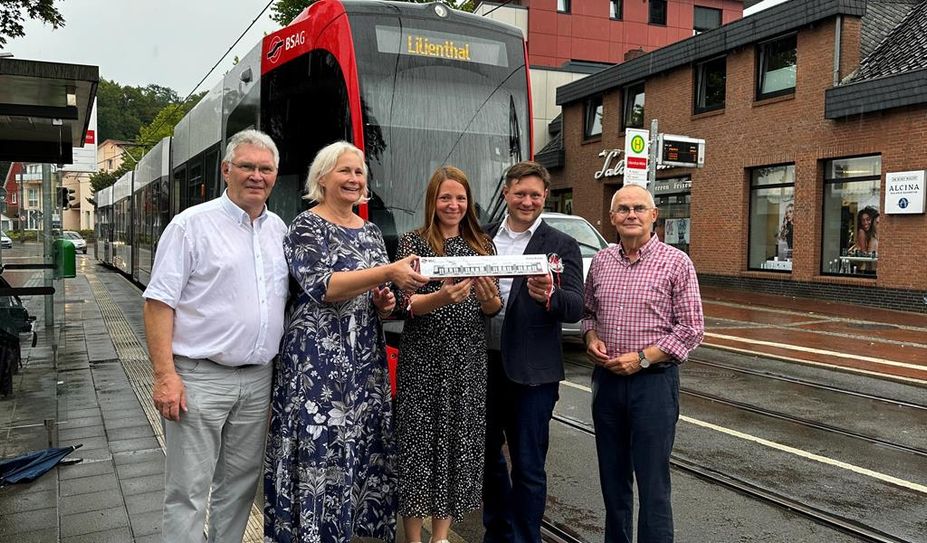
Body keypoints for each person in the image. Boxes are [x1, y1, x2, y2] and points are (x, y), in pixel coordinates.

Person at [263, 141, 429, 543]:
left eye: (359, 173)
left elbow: (379, 296)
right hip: (316, 361)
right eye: (345, 171)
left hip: (363, 358)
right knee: (319, 446)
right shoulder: (305, 226)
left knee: (358, 445)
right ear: (322, 178)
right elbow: (322, 286)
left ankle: (345, 531)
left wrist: (384, 300)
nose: (354, 179)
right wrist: (386, 273)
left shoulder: (370, 231)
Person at [143, 129, 289, 543]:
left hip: (258, 379)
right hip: (198, 378)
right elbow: (158, 303)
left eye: (265, 169)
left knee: (239, 487)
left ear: (275, 175)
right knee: (188, 491)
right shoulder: (191, 226)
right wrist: (165, 376)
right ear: (226, 170)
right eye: (247, 166)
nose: (256, 176)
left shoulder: (279, 229)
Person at [582, 184, 705, 543]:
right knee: (613, 480)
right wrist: (590, 338)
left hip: (653, 385)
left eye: (639, 208)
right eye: (623, 209)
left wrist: (642, 359)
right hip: (607, 383)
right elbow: (588, 313)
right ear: (612, 218)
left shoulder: (676, 263)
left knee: (653, 484)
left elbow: (692, 328)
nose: (631, 215)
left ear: (654, 215)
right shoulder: (602, 262)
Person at [394, 166, 503, 543]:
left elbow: (492, 308)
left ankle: (439, 536)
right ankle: (413, 538)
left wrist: (489, 301)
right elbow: (404, 305)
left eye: (460, 198)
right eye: (445, 198)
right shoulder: (413, 243)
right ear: (433, 201)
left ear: (469, 202)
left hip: (467, 359)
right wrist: (441, 297)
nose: (453, 205)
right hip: (422, 358)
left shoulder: (483, 245)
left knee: (457, 444)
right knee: (417, 445)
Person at [483, 161, 584, 543]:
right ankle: (497, 533)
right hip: (483, 365)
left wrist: (550, 296)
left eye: (535, 195)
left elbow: (575, 306)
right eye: (520, 193)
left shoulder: (562, 244)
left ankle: (526, 538)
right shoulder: (482, 236)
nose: (527, 201)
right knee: (487, 459)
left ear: (545, 197)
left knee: (528, 465)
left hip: (533, 373)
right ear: (506, 193)